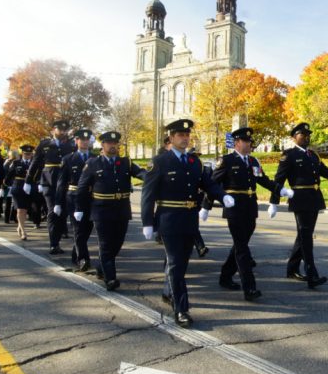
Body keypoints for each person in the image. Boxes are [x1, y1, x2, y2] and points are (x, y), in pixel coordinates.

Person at [141, 119, 233, 328]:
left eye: (187, 135)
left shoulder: (193, 162)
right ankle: (181, 309)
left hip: (189, 219)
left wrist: (222, 196)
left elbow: (207, 183)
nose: (184, 138)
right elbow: (148, 194)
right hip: (169, 219)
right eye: (180, 135)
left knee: (181, 264)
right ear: (171, 138)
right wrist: (148, 221)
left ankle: (170, 292)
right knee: (175, 263)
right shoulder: (160, 161)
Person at [202, 127, 293, 301]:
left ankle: (225, 276)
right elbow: (212, 184)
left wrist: (281, 190)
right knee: (242, 249)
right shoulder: (226, 161)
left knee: (240, 245)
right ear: (237, 143)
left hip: (250, 208)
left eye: (250, 141)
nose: (250, 144)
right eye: (246, 141)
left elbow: (264, 181)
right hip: (234, 208)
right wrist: (206, 206)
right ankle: (249, 287)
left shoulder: (253, 161)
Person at [269, 122, 328, 288]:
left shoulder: (313, 155)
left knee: (303, 235)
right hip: (299, 199)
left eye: (308, 135)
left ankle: (291, 269)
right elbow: (279, 180)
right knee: (306, 237)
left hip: (313, 198)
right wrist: (274, 202)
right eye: (302, 134)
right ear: (294, 137)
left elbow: (325, 171)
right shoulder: (289, 155)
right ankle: (311, 274)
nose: (306, 137)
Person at [74, 131, 146, 290]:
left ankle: (101, 267)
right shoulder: (93, 163)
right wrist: (79, 208)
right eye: (109, 143)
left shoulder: (125, 162)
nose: (113, 146)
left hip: (122, 209)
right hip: (101, 210)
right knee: (106, 245)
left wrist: (155, 177)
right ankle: (110, 278)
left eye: (115, 143)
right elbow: (82, 187)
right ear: (103, 145)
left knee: (117, 244)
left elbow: (141, 173)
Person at [25, 120, 76, 255]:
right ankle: (54, 244)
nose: (63, 132)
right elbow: (35, 162)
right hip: (49, 182)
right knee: (53, 212)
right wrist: (28, 180)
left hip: (65, 183)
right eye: (60, 130)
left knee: (62, 214)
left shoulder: (70, 145)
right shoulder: (44, 144)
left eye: (65, 130)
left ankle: (57, 239)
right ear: (54, 130)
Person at [55, 129, 96, 272]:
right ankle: (83, 259)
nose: (85, 142)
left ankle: (76, 253)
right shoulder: (68, 159)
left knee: (87, 228)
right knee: (78, 228)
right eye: (81, 139)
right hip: (73, 197)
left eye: (87, 139)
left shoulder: (95, 158)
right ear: (76, 141)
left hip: (91, 197)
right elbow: (61, 182)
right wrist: (58, 202)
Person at [5, 146, 34, 240]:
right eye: (26, 154)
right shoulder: (16, 163)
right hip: (18, 187)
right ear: (22, 154)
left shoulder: (34, 163)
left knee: (25, 210)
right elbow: (9, 175)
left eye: (29, 154)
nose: (27, 156)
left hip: (29, 188)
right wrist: (4, 186)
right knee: (20, 210)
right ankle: (23, 231)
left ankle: (20, 226)